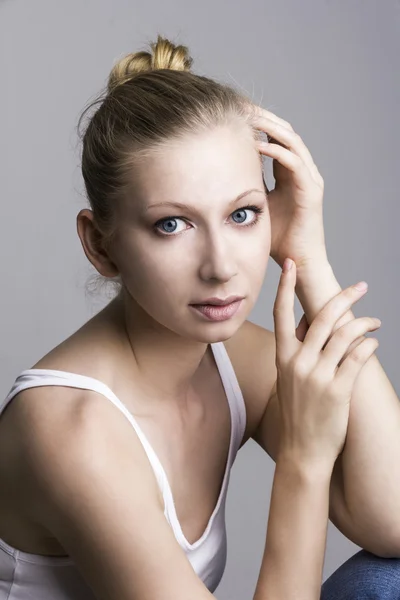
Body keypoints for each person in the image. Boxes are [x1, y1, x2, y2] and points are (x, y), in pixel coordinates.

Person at [0, 34, 399, 600]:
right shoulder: (73, 429)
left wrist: (306, 257)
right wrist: (306, 462)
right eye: (172, 224)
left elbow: (394, 519)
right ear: (101, 245)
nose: (220, 267)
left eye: (243, 214)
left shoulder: (232, 361)